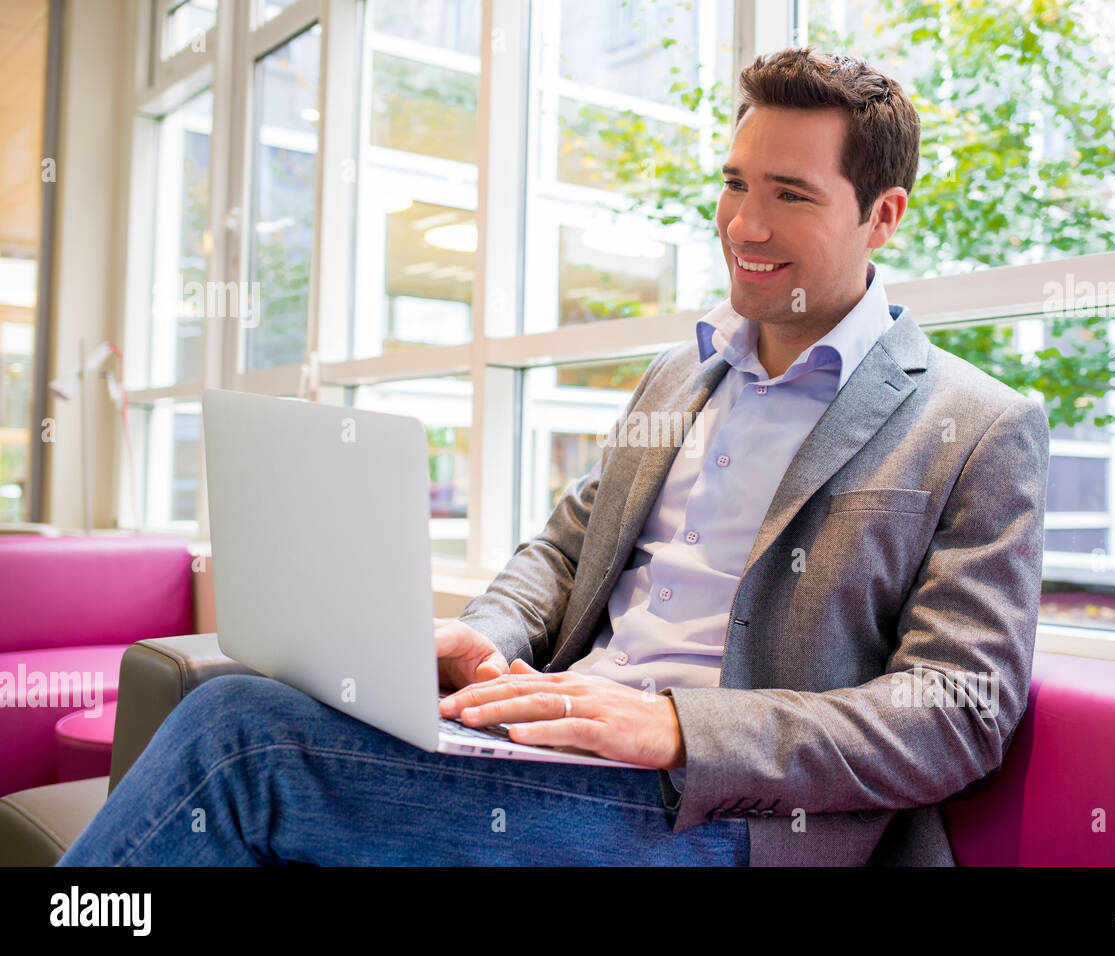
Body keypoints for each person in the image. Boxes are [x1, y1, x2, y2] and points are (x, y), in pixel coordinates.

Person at [58, 47, 1048, 868]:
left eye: (790, 194)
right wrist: (487, 638)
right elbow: (565, 551)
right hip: (556, 740)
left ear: (884, 215)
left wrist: (673, 728)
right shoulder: (680, 375)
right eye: (735, 182)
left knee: (241, 734)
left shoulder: (976, 424)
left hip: (722, 810)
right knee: (252, 693)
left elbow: (954, 713)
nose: (745, 224)